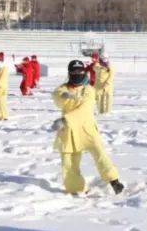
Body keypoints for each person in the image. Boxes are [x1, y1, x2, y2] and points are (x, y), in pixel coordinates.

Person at [52, 59, 124, 195]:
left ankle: (114, 180)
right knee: (69, 162)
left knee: (100, 153)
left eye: (80, 71)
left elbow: (84, 109)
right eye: (73, 71)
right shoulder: (63, 88)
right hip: (69, 132)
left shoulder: (89, 90)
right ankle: (75, 188)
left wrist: (65, 119)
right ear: (69, 73)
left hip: (87, 129)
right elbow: (56, 97)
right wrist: (64, 96)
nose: (77, 74)